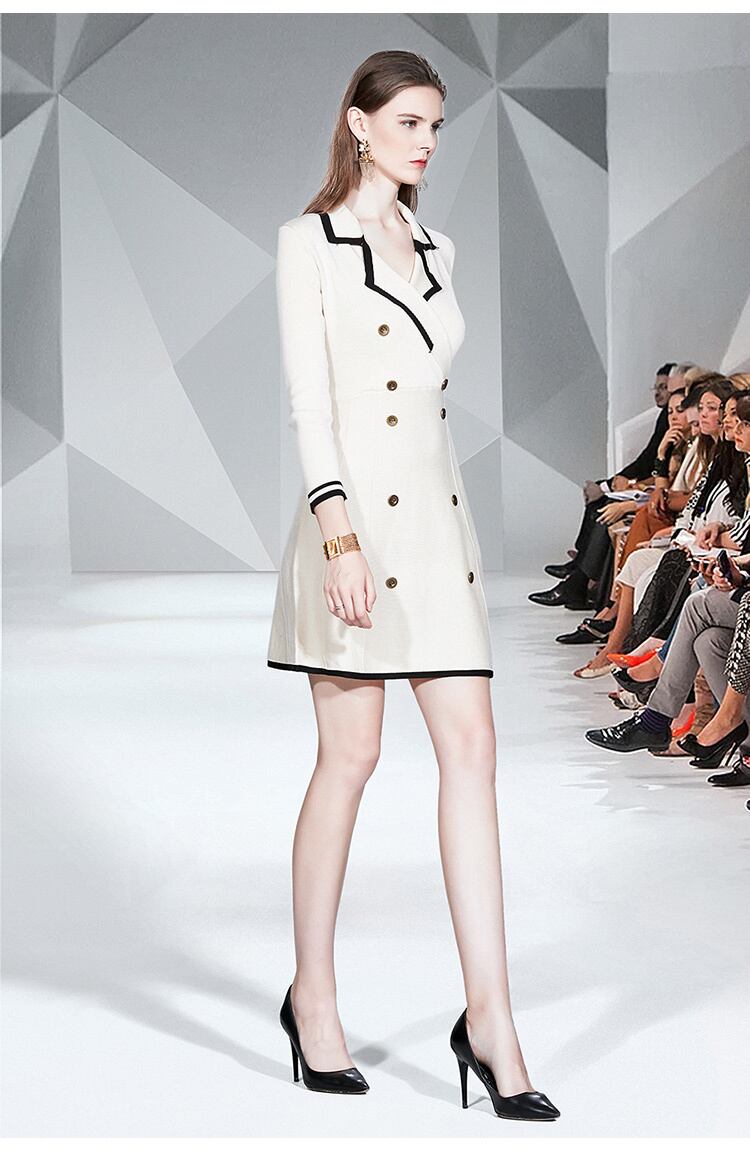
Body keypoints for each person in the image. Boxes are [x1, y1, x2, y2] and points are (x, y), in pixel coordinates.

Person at [266, 50, 559, 1121]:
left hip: (437, 523)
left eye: (437, 124)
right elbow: (312, 402)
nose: (427, 141)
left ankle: (492, 1019)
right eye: (409, 122)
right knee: (350, 757)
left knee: (473, 750)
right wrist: (336, 535)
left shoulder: (437, 245)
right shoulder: (309, 242)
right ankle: (314, 996)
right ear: (359, 124)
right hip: (351, 526)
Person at [528, 362, 692, 609]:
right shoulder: (680, 441)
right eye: (671, 409)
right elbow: (657, 478)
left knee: (612, 512)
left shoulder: (695, 447)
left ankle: (592, 592)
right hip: (661, 506)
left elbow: (672, 490)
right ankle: (585, 582)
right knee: (607, 509)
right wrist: (628, 481)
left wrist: (628, 492)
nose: (674, 414)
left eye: (681, 407)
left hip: (673, 516)